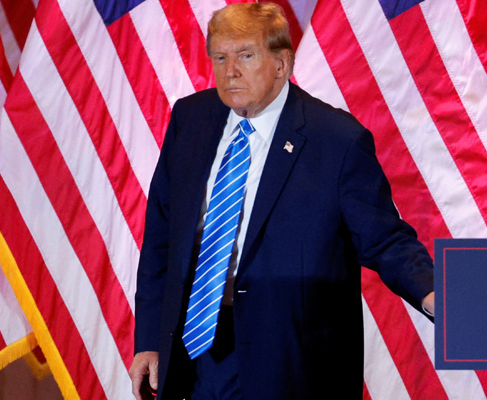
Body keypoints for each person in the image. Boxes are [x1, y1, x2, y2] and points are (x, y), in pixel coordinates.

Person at [129, 3, 435, 399]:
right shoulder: (191, 118)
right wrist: (150, 339)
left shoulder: (337, 140)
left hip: (291, 364)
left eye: (246, 55)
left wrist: (439, 294)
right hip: (192, 356)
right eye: (220, 57)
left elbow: (385, 239)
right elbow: (160, 240)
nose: (230, 71)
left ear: (281, 64)